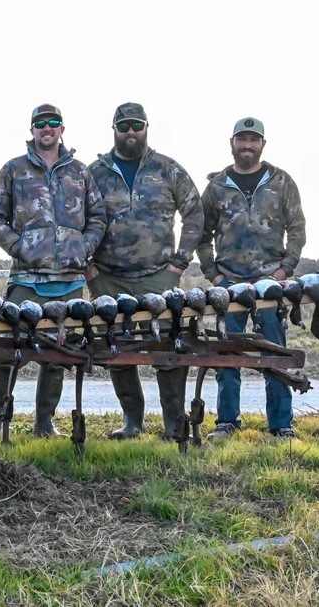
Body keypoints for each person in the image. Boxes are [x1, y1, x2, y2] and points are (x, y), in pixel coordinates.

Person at [0, 104, 106, 437]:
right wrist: (21, 247)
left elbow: (98, 218)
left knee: (56, 357)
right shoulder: (13, 170)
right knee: (9, 354)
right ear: (33, 130)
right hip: (27, 282)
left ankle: (44, 424)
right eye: (40, 124)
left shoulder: (80, 172)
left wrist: (84, 247)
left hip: (68, 282)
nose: (46, 128)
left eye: (53, 123)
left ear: (62, 129)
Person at [87, 102, 203, 440]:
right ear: (114, 131)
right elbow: (75, 218)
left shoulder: (168, 169)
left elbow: (193, 213)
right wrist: (88, 269)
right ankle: (132, 421)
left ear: (146, 127)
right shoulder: (94, 172)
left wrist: (180, 261)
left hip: (159, 277)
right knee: (118, 350)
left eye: (136, 125)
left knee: (168, 349)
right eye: (123, 126)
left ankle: (173, 423)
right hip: (108, 277)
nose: (130, 132)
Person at [197, 117, 306, 440]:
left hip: (270, 284)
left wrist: (285, 270)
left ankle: (281, 425)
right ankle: (227, 422)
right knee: (227, 355)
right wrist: (214, 275)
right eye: (242, 140)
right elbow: (200, 235)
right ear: (232, 143)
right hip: (229, 284)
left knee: (274, 353)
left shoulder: (281, 181)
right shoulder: (217, 186)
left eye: (253, 140)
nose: (247, 146)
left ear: (262, 144)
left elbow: (298, 229)